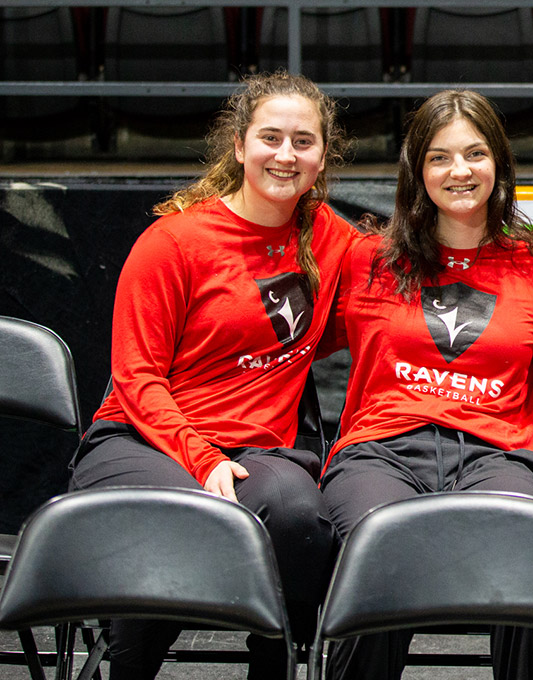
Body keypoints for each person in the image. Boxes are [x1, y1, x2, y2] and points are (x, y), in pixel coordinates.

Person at [68, 71, 354, 679]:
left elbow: (405, 279)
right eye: (270, 138)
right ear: (239, 146)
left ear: (323, 155)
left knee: (301, 521)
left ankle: (273, 663)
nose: (285, 155)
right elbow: (136, 378)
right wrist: (201, 459)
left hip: (255, 448)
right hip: (142, 439)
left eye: (303, 141)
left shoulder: (331, 238)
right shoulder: (174, 241)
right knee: (178, 517)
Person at [319, 89, 533, 680]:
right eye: (440, 157)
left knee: (531, 538)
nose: (460, 171)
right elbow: (285, 346)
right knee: (381, 540)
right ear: (417, 171)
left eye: (474, 154)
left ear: (499, 164)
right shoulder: (367, 260)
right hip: (380, 454)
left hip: (494, 457)